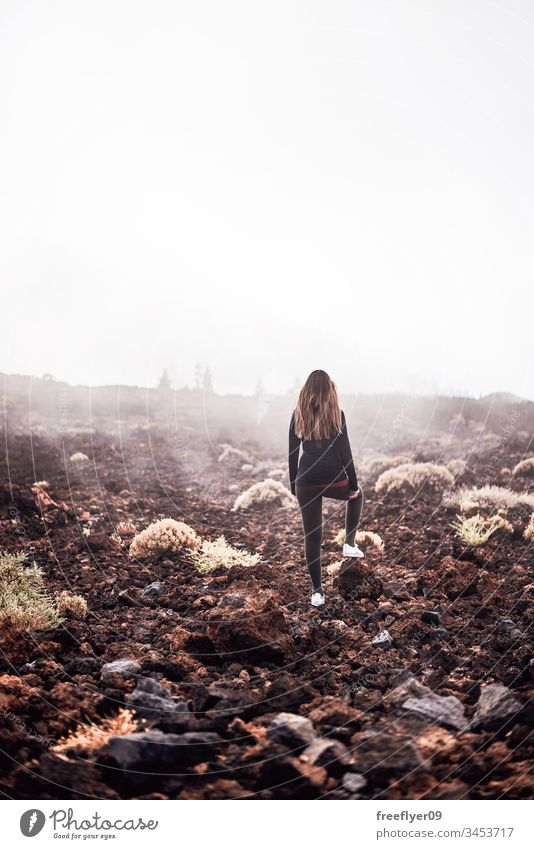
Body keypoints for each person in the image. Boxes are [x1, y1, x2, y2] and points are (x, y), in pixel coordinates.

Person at [288, 370, 364, 607]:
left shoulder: (298, 414)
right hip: (333, 480)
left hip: (306, 483)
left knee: (312, 537)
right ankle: (349, 544)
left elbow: (292, 453)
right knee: (358, 496)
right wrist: (353, 484)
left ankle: (317, 592)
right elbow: (345, 453)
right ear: (330, 391)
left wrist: (293, 484)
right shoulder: (337, 414)